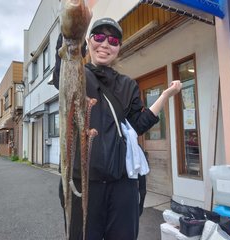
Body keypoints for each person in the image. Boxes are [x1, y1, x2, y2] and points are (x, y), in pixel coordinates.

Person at [53, 17, 182, 240]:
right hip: (83, 181)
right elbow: (62, 63)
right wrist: (75, 21)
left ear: (119, 48)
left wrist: (164, 96)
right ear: (88, 41)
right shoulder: (76, 73)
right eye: (99, 37)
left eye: (113, 40)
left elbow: (138, 125)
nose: (105, 44)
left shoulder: (128, 85)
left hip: (123, 183)